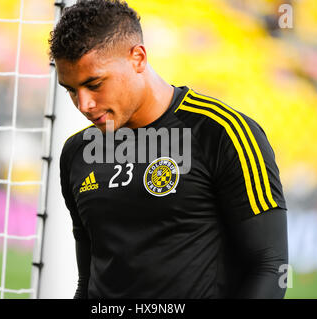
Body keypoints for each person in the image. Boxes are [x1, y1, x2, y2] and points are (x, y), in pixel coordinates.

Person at [50, 0, 288, 299]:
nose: (83, 104)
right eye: (71, 90)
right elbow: (87, 282)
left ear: (138, 58)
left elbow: (270, 266)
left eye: (94, 84)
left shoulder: (223, 134)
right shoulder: (76, 153)